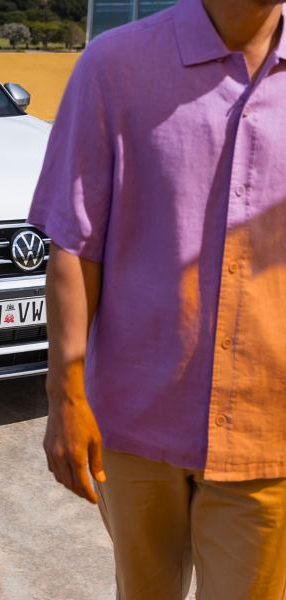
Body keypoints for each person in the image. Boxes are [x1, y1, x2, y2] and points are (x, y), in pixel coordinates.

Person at [27, 0, 286, 596]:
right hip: (136, 418)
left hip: (267, 426)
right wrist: (65, 397)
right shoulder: (115, 65)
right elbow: (74, 244)